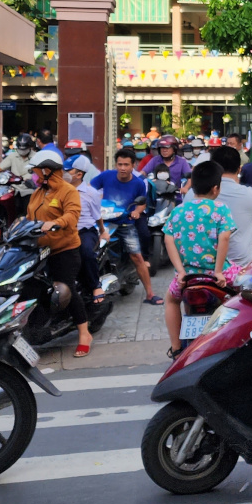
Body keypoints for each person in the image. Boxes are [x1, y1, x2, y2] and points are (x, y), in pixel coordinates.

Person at [163, 160, 235, 357]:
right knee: (243, 294)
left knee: (170, 301)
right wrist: (218, 270)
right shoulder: (220, 209)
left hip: (188, 277)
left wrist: (181, 271)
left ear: (192, 187)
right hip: (218, 275)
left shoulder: (178, 210)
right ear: (215, 188)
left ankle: (176, 348)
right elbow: (225, 236)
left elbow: (168, 239)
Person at [24, 151, 92, 358]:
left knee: (65, 288)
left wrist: (56, 223)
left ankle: (84, 333)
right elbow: (30, 216)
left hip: (64, 249)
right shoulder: (39, 192)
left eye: (36, 171)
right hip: (39, 250)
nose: (34, 175)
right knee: (31, 286)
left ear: (46, 171)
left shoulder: (68, 191)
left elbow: (72, 215)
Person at [91, 148, 159, 304]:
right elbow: (90, 189)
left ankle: (150, 293)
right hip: (104, 222)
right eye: (120, 164)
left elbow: (142, 204)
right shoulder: (106, 176)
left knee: (137, 256)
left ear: (133, 165)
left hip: (124, 223)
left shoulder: (138, 183)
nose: (122, 168)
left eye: (126, 165)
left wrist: (136, 211)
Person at [66, 155, 104, 306]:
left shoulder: (90, 192)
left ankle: (95, 285)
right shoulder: (59, 190)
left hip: (85, 231)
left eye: (68, 171)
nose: (63, 174)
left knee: (86, 252)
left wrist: (102, 231)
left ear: (79, 174)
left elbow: (97, 215)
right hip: (64, 231)